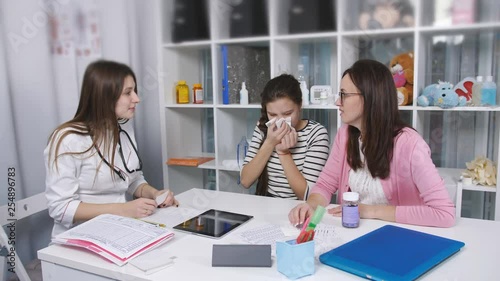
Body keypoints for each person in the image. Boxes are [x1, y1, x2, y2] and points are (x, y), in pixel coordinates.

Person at [289, 59, 455, 227]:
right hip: (355, 232)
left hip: (400, 238)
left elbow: (444, 214)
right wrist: (311, 205)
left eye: (344, 95)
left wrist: (368, 210)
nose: (337, 102)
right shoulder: (345, 135)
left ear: (369, 98)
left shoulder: (410, 145)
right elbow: (325, 184)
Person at [44, 60, 178, 238]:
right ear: (104, 96)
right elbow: (60, 208)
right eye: (128, 93)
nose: (136, 99)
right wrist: (123, 209)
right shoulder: (67, 139)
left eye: (134, 91)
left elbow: (131, 179)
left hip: (119, 229)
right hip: (79, 237)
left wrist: (155, 194)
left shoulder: (123, 126)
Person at [240, 74, 330, 200]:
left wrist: (284, 153)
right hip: (266, 203)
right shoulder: (264, 129)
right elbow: (245, 181)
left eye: (287, 113)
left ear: (299, 106)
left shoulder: (316, 134)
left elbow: (308, 196)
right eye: (272, 114)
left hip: (299, 208)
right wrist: (270, 143)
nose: (280, 121)